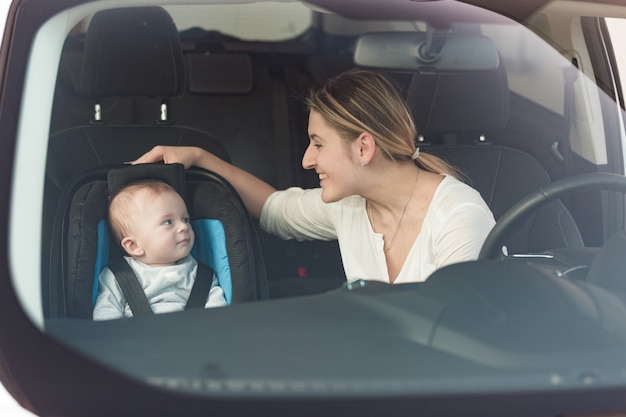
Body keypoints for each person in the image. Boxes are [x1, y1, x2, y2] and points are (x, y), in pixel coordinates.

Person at [134, 68, 496, 284]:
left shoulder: (458, 217)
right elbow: (275, 209)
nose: (307, 160)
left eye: (318, 144)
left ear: (363, 149)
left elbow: (459, 341)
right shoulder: (350, 207)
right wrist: (199, 157)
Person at [93, 180, 227, 320]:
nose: (184, 227)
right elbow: (106, 317)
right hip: (136, 339)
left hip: (193, 338)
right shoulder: (117, 277)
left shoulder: (201, 275)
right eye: (168, 222)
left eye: (186, 219)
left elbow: (217, 318)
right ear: (134, 246)